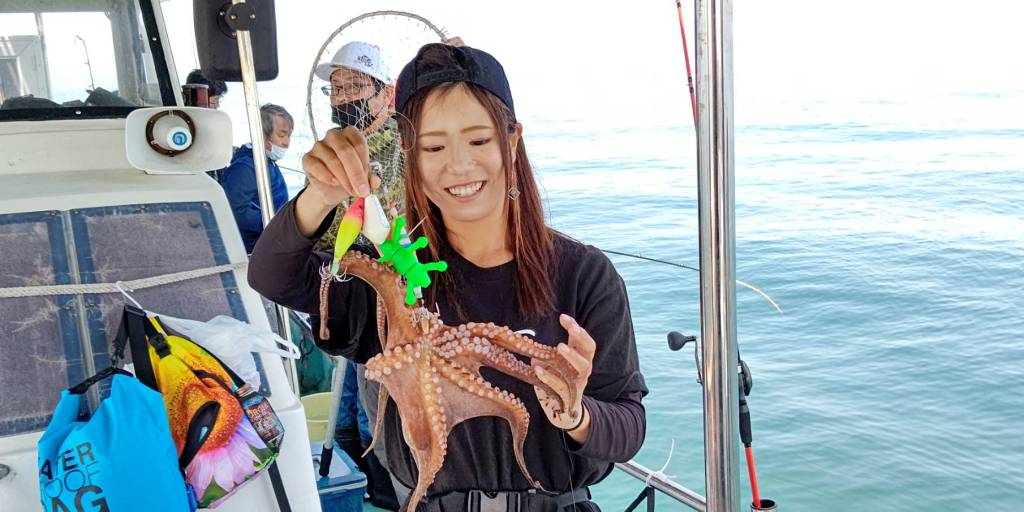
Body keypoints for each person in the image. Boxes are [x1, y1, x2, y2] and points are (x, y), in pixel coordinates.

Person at [249, 43, 647, 511]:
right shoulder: (392, 280)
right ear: (409, 152)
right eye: (434, 147)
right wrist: (319, 196)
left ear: (511, 140)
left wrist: (575, 414)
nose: (458, 165)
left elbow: (629, 426)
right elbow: (272, 275)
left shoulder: (584, 274)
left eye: (478, 140)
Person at [219, 103, 292, 253]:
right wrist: (277, 225)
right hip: (251, 250)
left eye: (289, 136)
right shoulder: (244, 168)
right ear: (261, 135)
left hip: (269, 243)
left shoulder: (267, 162)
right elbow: (236, 212)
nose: (286, 142)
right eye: (281, 135)